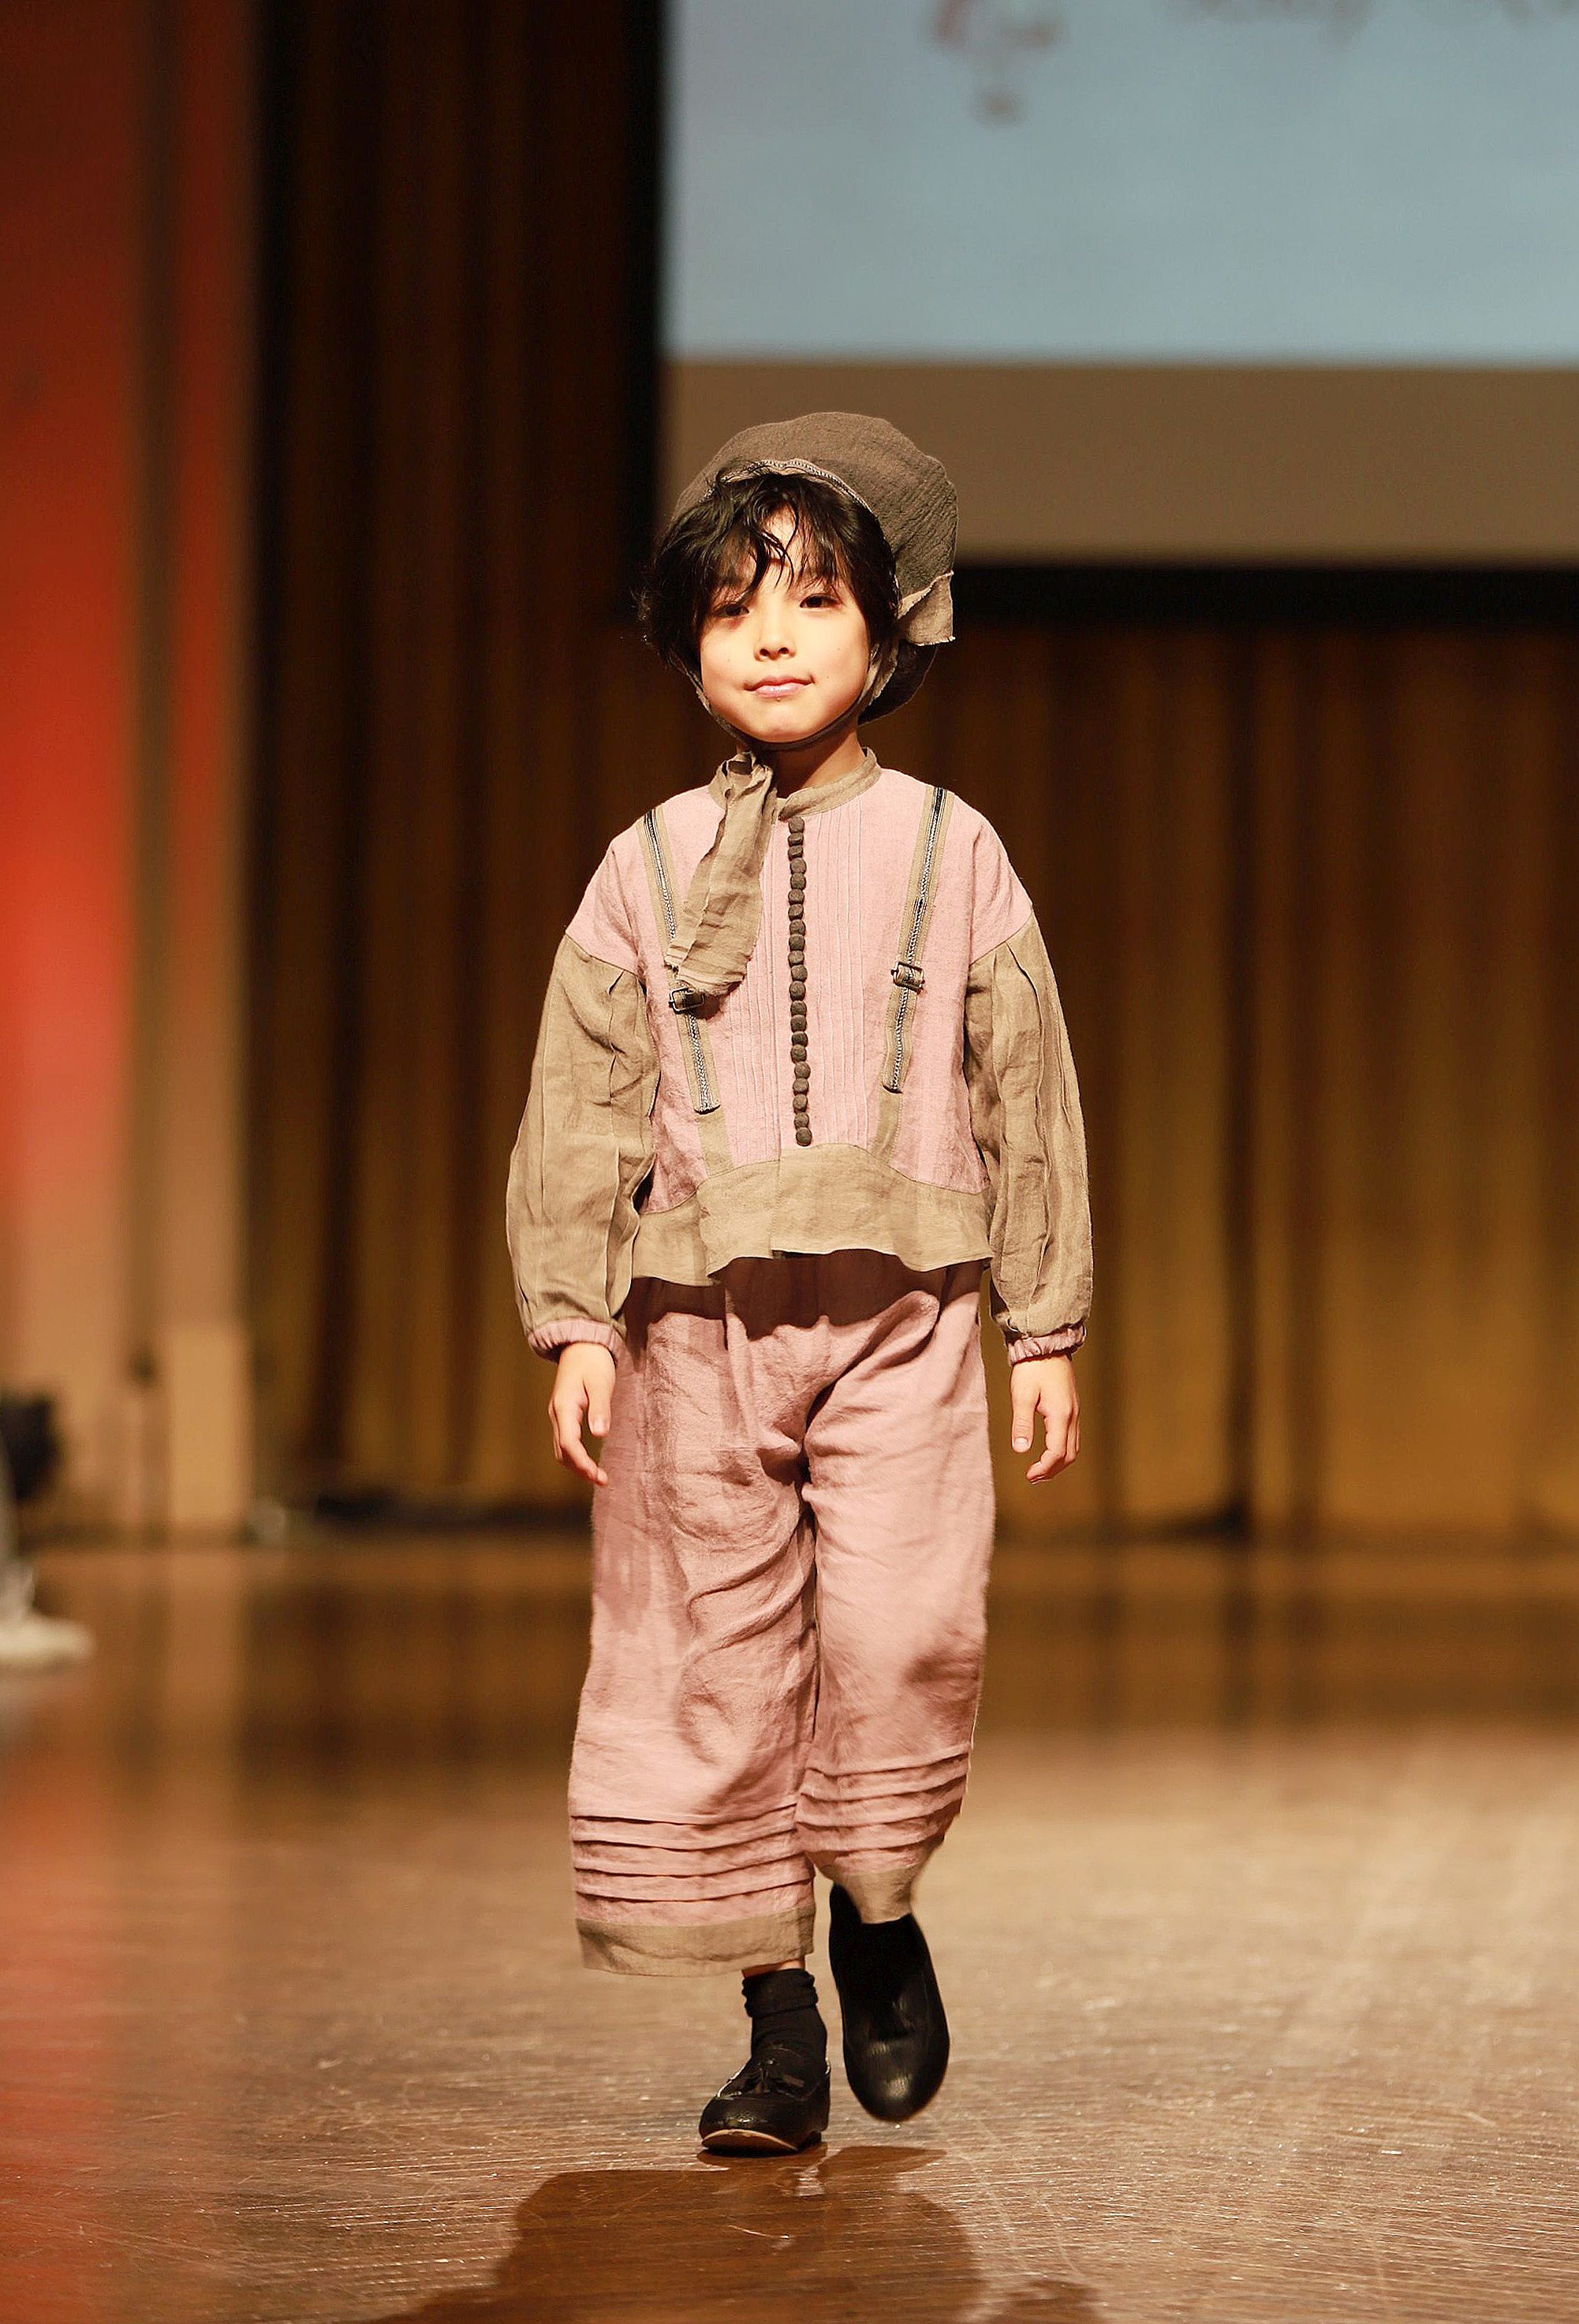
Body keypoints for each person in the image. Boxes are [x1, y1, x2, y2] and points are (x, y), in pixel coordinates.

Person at [507, 413, 1091, 2154]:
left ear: (888, 628)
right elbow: (579, 1102)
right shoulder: (643, 867)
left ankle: (877, 1907)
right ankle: (778, 2028)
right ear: (687, 643)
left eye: (814, 598)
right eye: (734, 606)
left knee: (904, 1630)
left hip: (904, 1314)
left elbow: (1027, 1091)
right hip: (696, 1326)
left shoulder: (952, 846)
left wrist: (1045, 1323)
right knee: (716, 1667)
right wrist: (572, 1317)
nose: (771, 637)